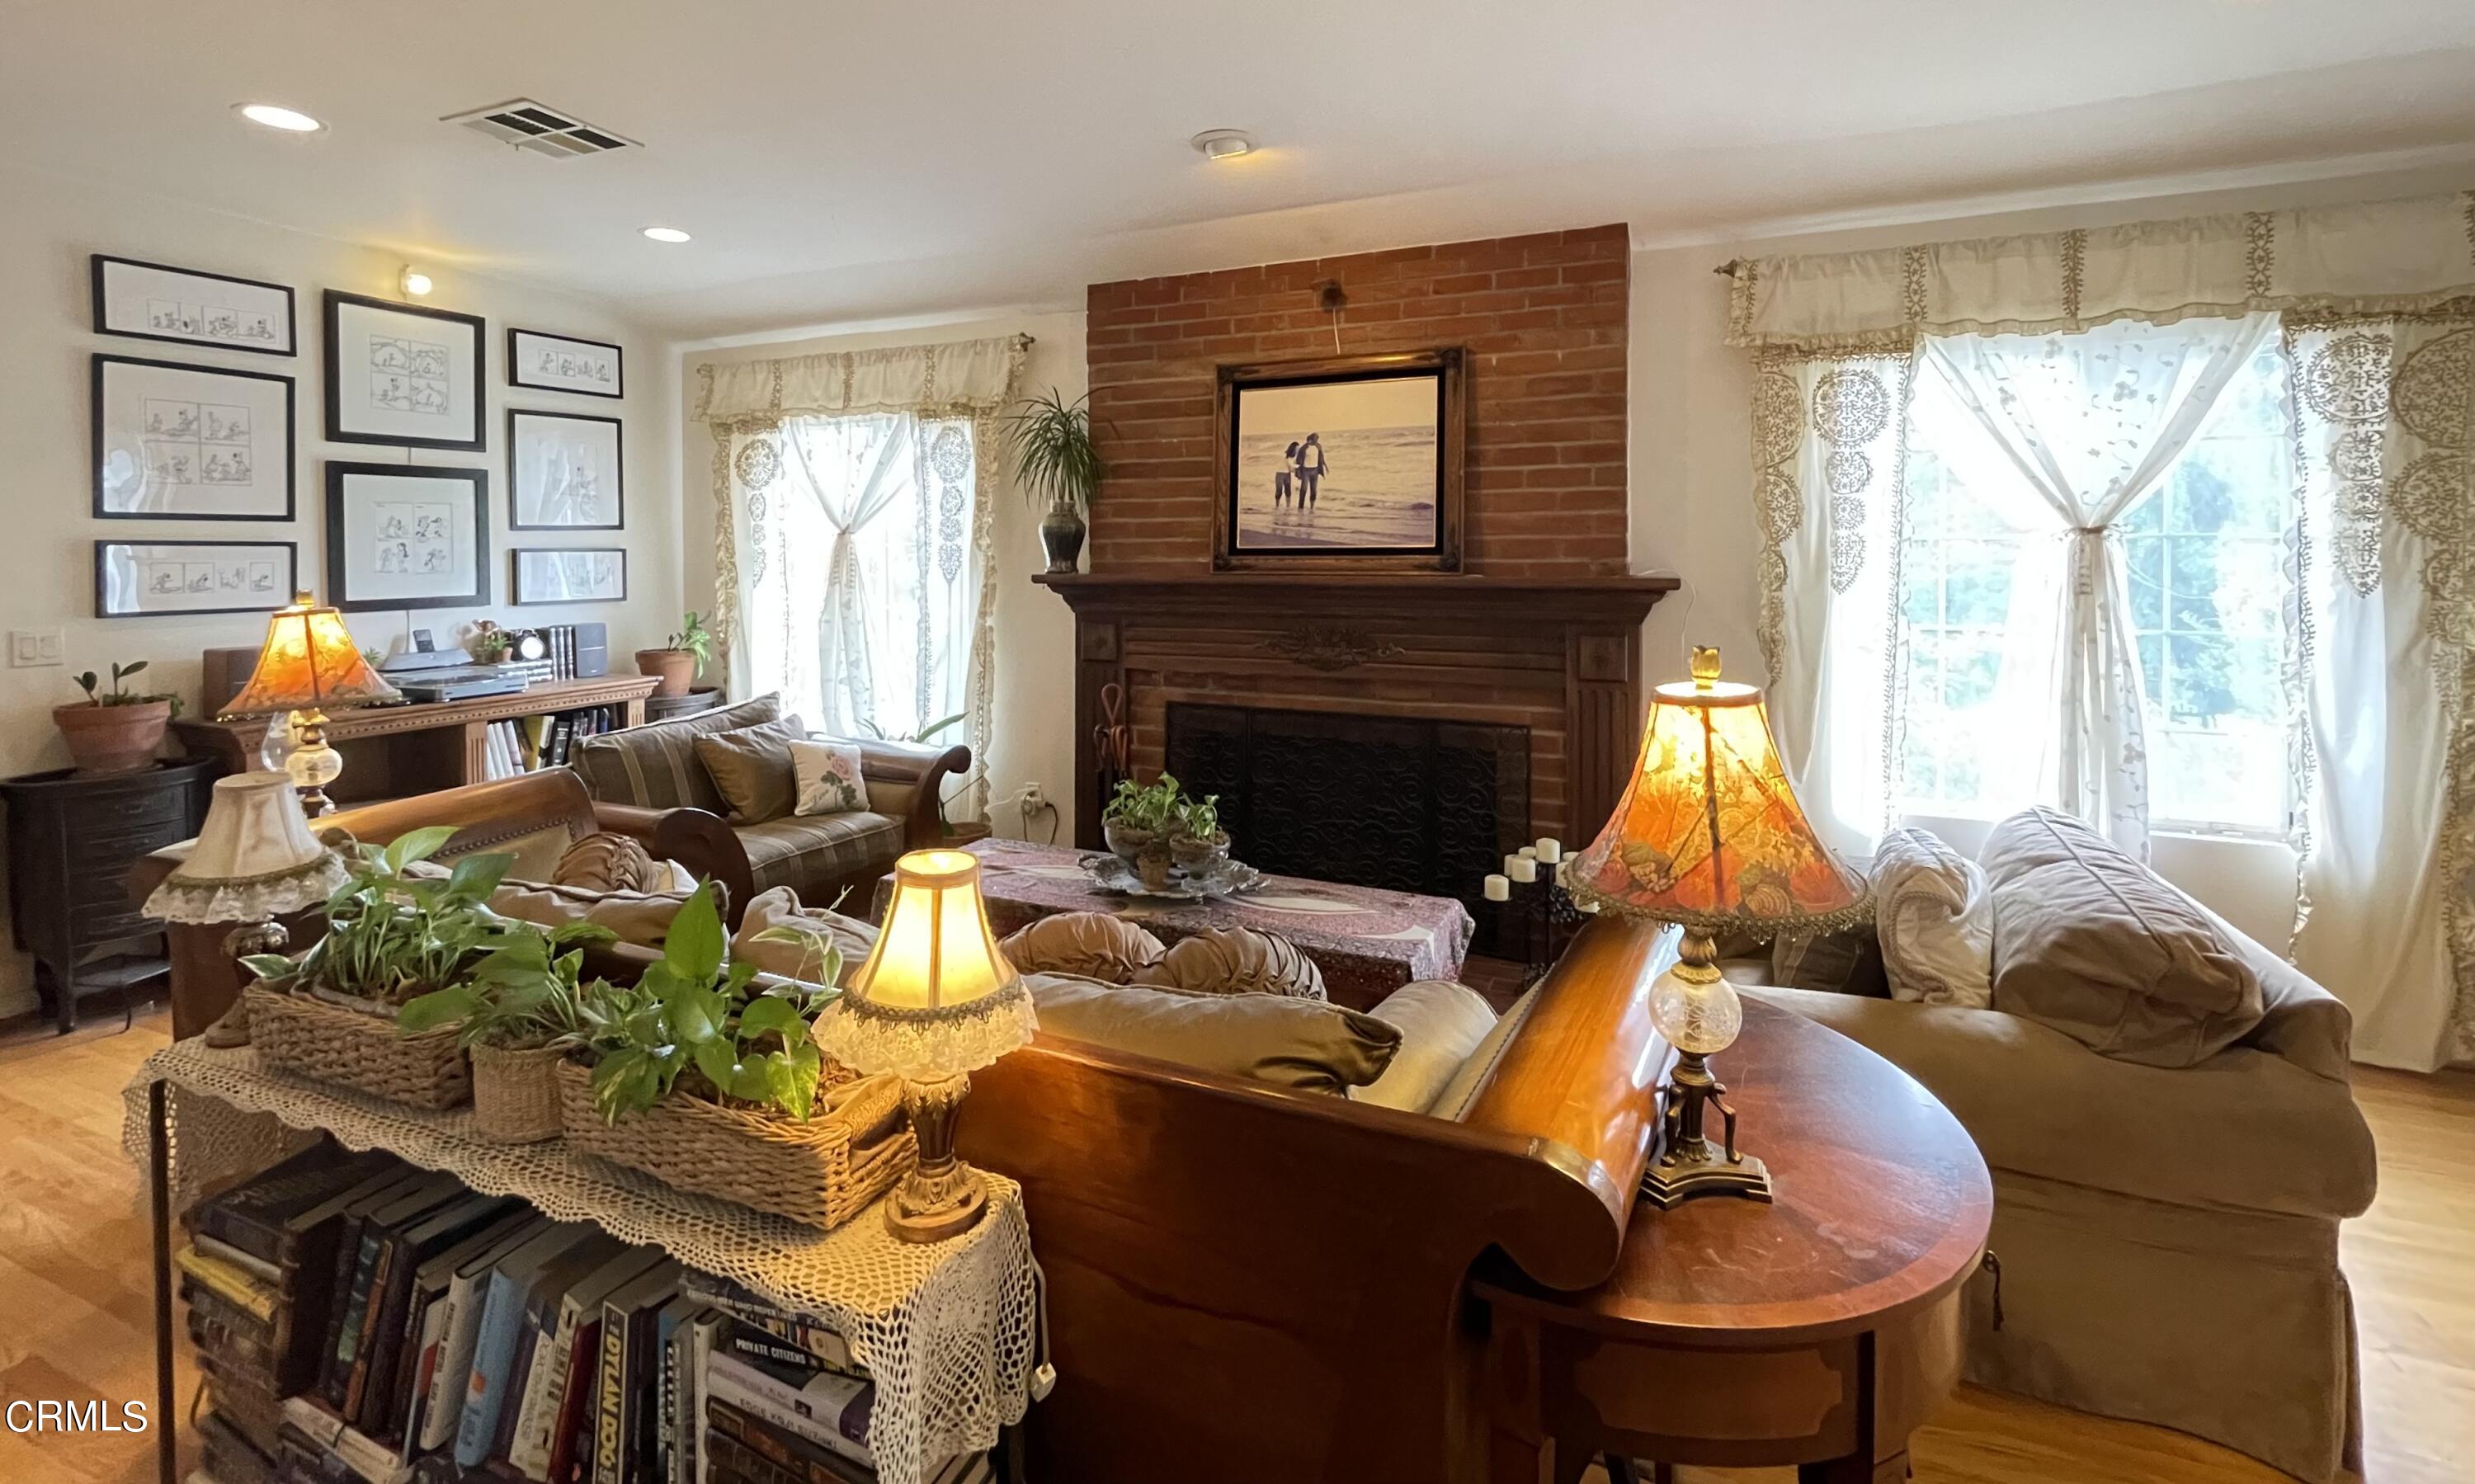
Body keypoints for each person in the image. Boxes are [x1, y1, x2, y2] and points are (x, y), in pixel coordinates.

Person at [1297, 432, 1327, 506]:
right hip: (1306, 471)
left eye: (1318, 439)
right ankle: (1301, 507)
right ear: (1311, 439)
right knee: (1304, 489)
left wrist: (1325, 466)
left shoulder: (1318, 446)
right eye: (1316, 438)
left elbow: (1321, 457)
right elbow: (1298, 460)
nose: (1317, 440)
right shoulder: (1303, 448)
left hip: (1315, 470)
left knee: (1314, 490)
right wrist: (1298, 472)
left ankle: (1312, 507)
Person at [1275, 441, 1298, 506]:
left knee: (1288, 491)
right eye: (1296, 449)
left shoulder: (1292, 456)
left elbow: (1290, 468)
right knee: (1279, 491)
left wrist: (1294, 471)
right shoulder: (1285, 455)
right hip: (1280, 474)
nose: (1297, 451)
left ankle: (1288, 506)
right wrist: (1299, 467)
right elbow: (1290, 465)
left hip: (1287, 474)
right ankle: (1277, 505)